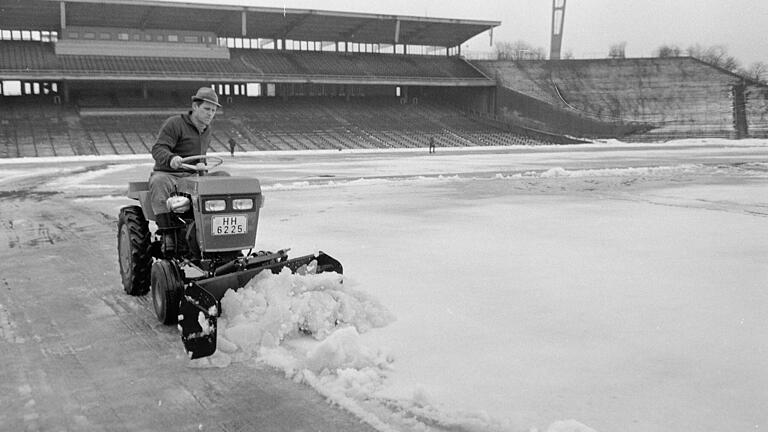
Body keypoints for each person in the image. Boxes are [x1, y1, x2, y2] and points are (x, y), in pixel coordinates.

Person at [148, 86, 224, 253]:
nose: (210, 114)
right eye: (206, 109)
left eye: (213, 110)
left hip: (192, 175)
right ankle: (168, 235)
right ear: (195, 107)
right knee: (158, 182)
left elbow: (200, 156)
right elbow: (158, 149)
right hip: (170, 174)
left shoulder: (207, 130)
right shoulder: (175, 124)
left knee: (224, 178)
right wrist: (171, 159)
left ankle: (218, 231)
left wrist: (202, 168)